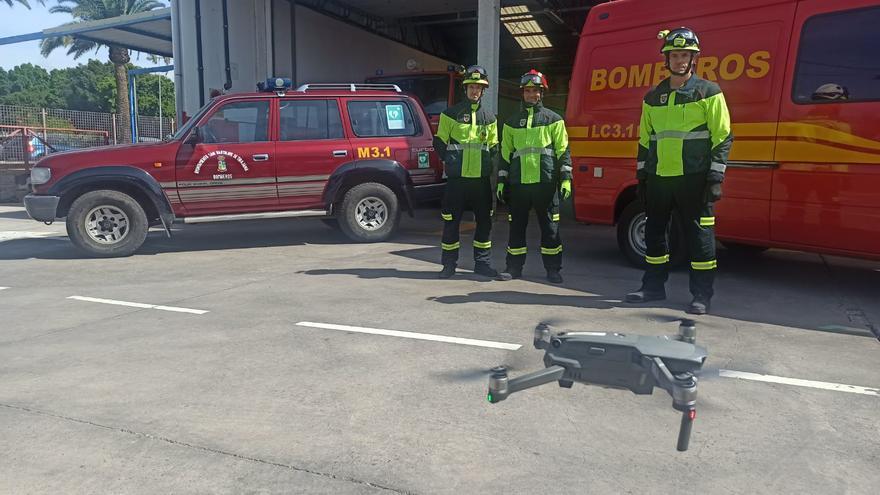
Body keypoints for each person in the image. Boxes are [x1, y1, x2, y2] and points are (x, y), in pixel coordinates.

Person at [625, 27, 733, 315]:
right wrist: (642, 177)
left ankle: (701, 295)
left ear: (693, 58)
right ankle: (652, 288)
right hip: (660, 179)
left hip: (694, 180)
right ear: (667, 59)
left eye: (685, 54)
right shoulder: (652, 97)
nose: (679, 60)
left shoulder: (709, 92)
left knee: (700, 239)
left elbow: (723, 136)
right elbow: (645, 140)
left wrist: (715, 176)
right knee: (654, 236)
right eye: (674, 55)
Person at [498, 69, 572, 283]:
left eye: (536, 91)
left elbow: (563, 151)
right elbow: (505, 155)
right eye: (528, 91)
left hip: (546, 183)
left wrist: (566, 178)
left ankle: (553, 270)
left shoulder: (554, 120)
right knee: (516, 229)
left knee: (550, 229)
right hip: (519, 184)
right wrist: (502, 181)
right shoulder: (511, 123)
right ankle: (513, 268)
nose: (532, 95)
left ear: (542, 93)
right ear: (523, 93)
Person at [433, 65, 502, 279]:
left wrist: (485, 166)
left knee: (484, 224)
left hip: (480, 181)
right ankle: (449, 265)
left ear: (483, 91)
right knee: (451, 223)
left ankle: (482, 264)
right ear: (466, 89)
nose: (475, 91)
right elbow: (439, 142)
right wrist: (451, 161)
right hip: (457, 181)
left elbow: (493, 147)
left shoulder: (490, 118)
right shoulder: (451, 114)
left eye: (479, 88)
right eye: (471, 87)